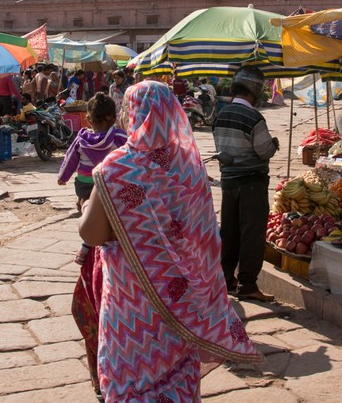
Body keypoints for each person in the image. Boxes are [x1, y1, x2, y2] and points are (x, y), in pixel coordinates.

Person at [77, 81, 261, 400]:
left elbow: (92, 234)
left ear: (131, 115)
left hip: (130, 304)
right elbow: (202, 235)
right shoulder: (189, 167)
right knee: (176, 376)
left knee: (134, 381)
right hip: (181, 303)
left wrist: (85, 210)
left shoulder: (118, 168)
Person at [213, 65, 279, 302]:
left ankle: (226, 278)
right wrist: (273, 144)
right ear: (255, 90)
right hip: (252, 182)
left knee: (229, 231)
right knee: (252, 233)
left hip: (228, 181)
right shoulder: (253, 117)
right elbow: (264, 151)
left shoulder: (221, 114)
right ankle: (248, 285)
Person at [58, 92, 127, 213]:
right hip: (111, 185)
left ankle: (84, 202)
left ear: (88, 119)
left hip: (85, 186)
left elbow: (70, 159)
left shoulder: (81, 140)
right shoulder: (120, 137)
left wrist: (62, 177)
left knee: (84, 191)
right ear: (114, 119)